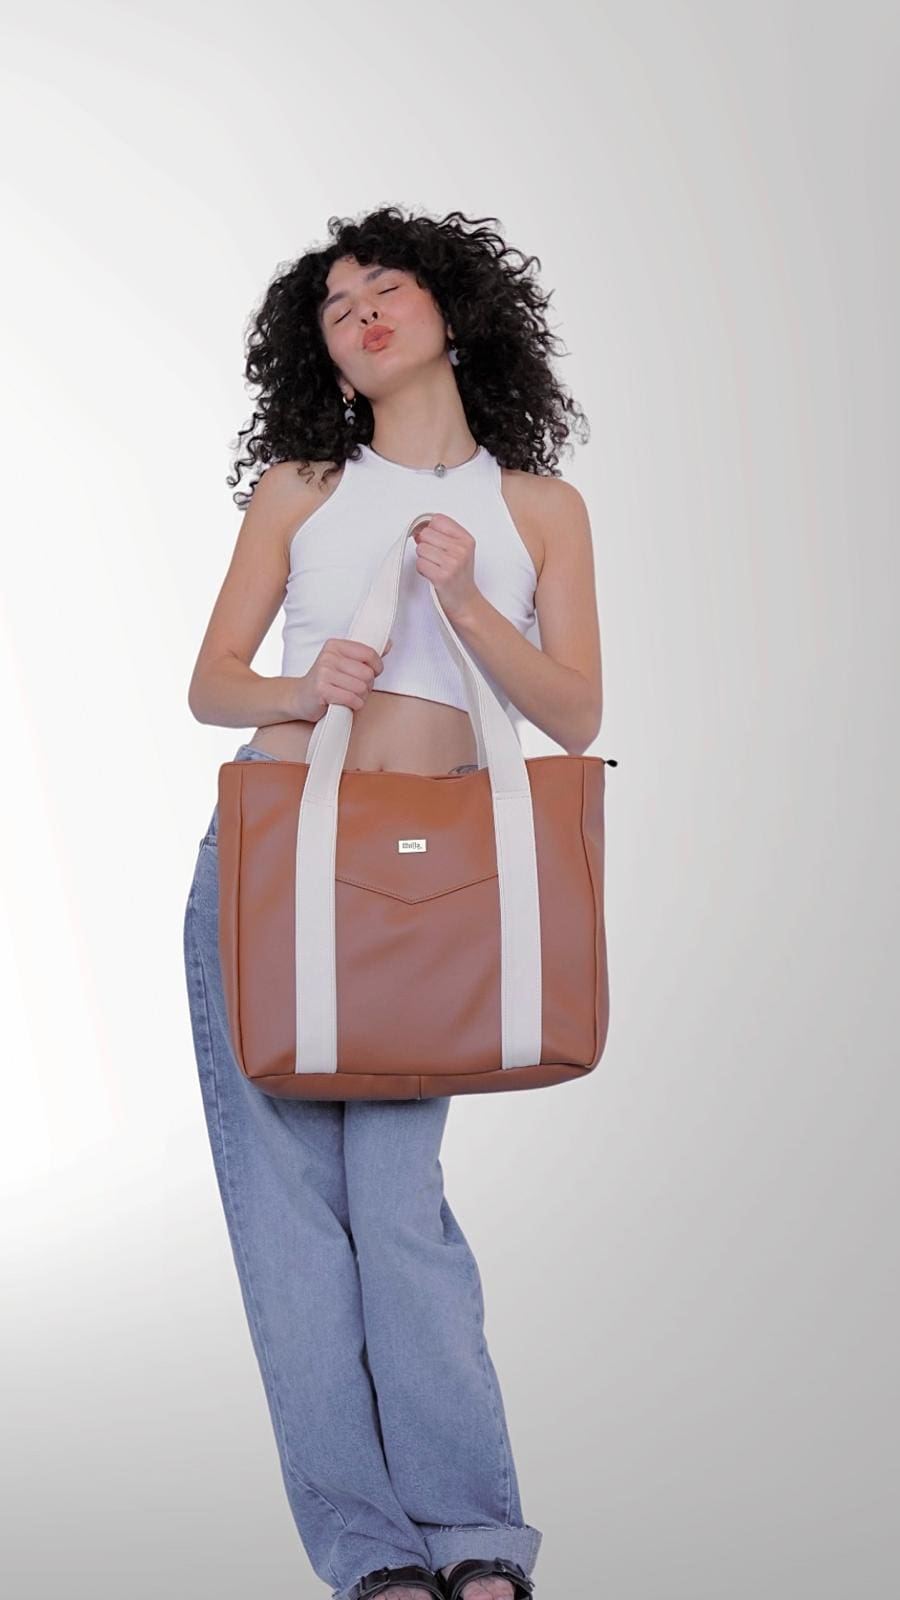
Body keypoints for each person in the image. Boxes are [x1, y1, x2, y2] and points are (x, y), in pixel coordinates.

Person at [183, 204, 603, 1600]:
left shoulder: (539, 509)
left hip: (429, 886)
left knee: (397, 1206)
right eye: (333, 305)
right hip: (280, 868)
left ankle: (476, 1533)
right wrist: (306, 685)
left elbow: (574, 713)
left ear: (453, 311)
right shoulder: (302, 489)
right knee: (291, 1225)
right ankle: (371, 1553)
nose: (358, 312)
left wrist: (468, 604)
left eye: (385, 288)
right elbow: (212, 684)